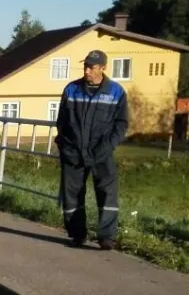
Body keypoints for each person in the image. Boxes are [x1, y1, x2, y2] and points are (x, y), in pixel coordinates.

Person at [55, 49, 128, 250]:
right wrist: (64, 144)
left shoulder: (116, 92)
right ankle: (77, 234)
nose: (87, 70)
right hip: (73, 152)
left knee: (107, 194)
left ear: (103, 68)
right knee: (73, 195)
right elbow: (61, 121)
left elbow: (121, 124)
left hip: (101, 153)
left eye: (91, 67)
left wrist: (109, 145)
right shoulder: (71, 89)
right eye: (85, 66)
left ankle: (106, 237)